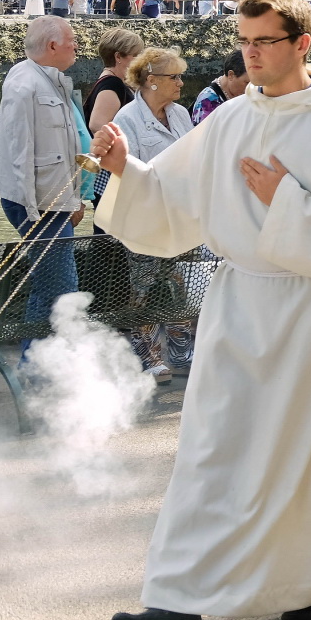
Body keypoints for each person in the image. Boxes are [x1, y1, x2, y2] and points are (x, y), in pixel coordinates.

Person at [97, 0, 311, 620]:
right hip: (238, 305)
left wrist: (284, 197)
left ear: (301, 45)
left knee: (304, 453)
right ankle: (177, 597)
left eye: (265, 41)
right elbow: (173, 197)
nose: (251, 53)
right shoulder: (228, 121)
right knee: (213, 447)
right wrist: (127, 171)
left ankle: (308, 582)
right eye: (245, 41)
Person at [0, 16, 85, 352]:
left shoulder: (49, 80)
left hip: (53, 203)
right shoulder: (25, 85)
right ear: (52, 46)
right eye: (71, 40)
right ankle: (37, 369)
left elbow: (65, 150)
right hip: (38, 206)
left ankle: (42, 367)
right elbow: (16, 152)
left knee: (55, 287)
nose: (77, 45)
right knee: (59, 288)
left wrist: (73, 200)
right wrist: (33, 215)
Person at [113, 46, 197, 381]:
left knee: (178, 287)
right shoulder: (127, 120)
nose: (180, 83)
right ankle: (149, 359)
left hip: (179, 217)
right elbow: (126, 170)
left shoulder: (179, 114)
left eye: (180, 76)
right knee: (144, 290)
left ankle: (181, 354)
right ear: (150, 80)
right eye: (173, 77)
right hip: (144, 218)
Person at [85, 28, 147, 133]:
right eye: (135, 55)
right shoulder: (112, 85)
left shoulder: (111, 81)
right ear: (118, 56)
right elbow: (97, 125)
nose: (140, 60)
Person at [191, 51, 250, 125]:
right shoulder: (208, 100)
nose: (251, 88)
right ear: (231, 75)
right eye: (247, 83)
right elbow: (203, 135)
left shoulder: (247, 97)